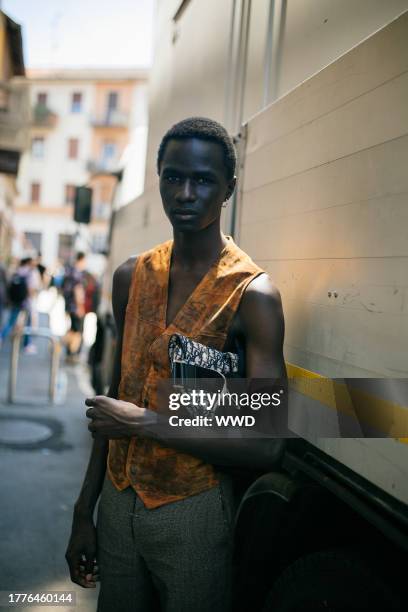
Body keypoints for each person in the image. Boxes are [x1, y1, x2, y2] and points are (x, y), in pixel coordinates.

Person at [66, 117, 286, 612]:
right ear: (159, 178)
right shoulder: (131, 276)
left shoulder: (252, 295)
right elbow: (111, 406)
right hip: (119, 505)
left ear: (229, 187)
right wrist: (86, 511)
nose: (186, 193)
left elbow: (268, 444)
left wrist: (146, 423)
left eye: (204, 180)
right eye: (173, 177)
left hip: (193, 509)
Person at [0, 256, 38, 353]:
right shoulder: (30, 273)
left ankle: (1, 336)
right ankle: (27, 344)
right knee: (27, 323)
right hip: (26, 302)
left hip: (16, 301)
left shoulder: (17, 271)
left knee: (11, 321)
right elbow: (31, 289)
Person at [63, 252, 87, 362]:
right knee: (77, 332)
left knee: (73, 329)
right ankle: (71, 353)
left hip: (68, 305)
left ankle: (69, 353)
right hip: (75, 306)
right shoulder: (77, 273)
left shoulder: (69, 271)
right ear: (81, 260)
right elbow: (78, 291)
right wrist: (80, 306)